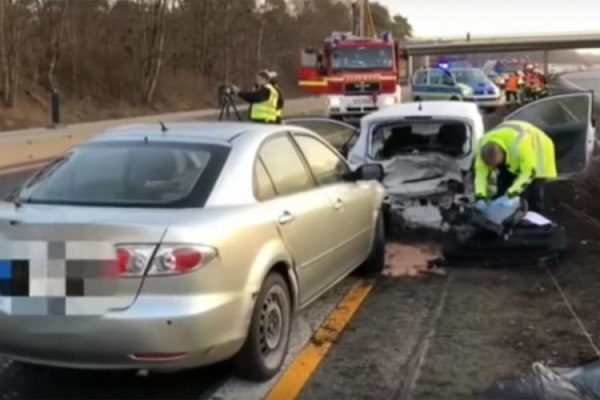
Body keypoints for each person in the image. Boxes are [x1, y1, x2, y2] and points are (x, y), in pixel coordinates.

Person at [474, 120, 557, 213]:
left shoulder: (520, 145)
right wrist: (481, 196)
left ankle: (534, 217)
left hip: (539, 147)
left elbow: (529, 172)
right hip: (511, 147)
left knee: (533, 190)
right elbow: (480, 175)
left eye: (495, 165)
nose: (494, 168)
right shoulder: (482, 147)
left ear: (502, 155)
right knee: (503, 184)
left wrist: (510, 194)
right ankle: (503, 213)